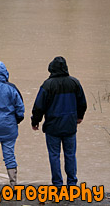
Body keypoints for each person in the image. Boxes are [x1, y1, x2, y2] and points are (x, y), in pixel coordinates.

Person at [31, 56, 87, 189]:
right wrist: (79, 117)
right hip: (70, 125)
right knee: (70, 155)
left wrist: (35, 121)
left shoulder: (47, 85)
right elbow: (82, 103)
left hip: (52, 127)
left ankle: (57, 184)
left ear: (51, 68)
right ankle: (72, 183)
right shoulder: (75, 83)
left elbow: (39, 106)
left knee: (54, 155)